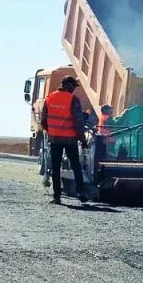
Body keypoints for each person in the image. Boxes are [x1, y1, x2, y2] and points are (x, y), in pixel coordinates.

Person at [41, 76, 87, 204]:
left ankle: (57, 197)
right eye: (74, 87)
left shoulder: (50, 98)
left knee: (56, 167)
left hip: (55, 139)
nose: (74, 90)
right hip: (70, 139)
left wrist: (51, 132)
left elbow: (43, 120)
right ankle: (81, 192)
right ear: (70, 86)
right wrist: (82, 139)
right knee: (76, 166)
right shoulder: (73, 99)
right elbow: (78, 121)